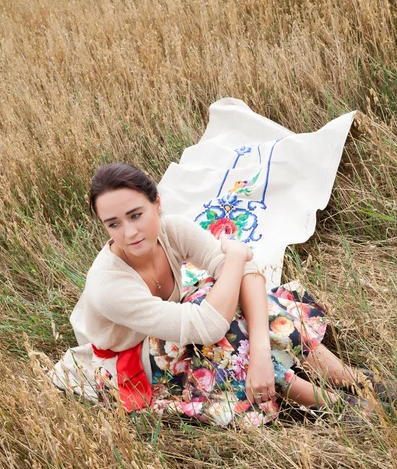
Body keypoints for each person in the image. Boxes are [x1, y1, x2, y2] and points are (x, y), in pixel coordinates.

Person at [60, 162, 378, 427]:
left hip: (178, 326)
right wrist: (237, 256)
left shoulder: (172, 230)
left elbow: (249, 278)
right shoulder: (108, 284)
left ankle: (347, 377)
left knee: (243, 300)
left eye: (135, 215)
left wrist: (262, 348)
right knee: (227, 337)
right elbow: (208, 325)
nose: (129, 232)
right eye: (113, 224)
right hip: (134, 361)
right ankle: (334, 404)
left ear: (156, 203)